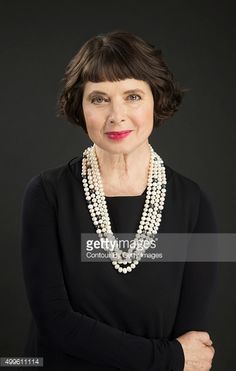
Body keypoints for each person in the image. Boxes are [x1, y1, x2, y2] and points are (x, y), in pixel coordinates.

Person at [20, 30, 217, 371]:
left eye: (133, 96)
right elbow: (56, 325)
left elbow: (195, 348)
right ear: (80, 108)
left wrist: (179, 358)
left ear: (157, 99)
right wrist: (168, 358)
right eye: (99, 98)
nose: (117, 115)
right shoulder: (45, 194)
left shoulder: (195, 203)